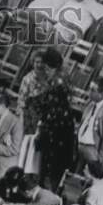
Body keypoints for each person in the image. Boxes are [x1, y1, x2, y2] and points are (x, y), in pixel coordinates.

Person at [35, 47, 77, 192]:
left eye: (47, 68)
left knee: (52, 166)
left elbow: (51, 109)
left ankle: (49, 193)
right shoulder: (61, 79)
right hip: (60, 127)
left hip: (57, 131)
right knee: (52, 166)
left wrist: (41, 126)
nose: (45, 71)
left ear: (54, 67)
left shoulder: (57, 84)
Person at [77, 78, 103, 173]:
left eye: (92, 90)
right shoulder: (90, 104)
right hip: (81, 148)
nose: (89, 92)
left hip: (94, 152)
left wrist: (100, 159)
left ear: (101, 94)